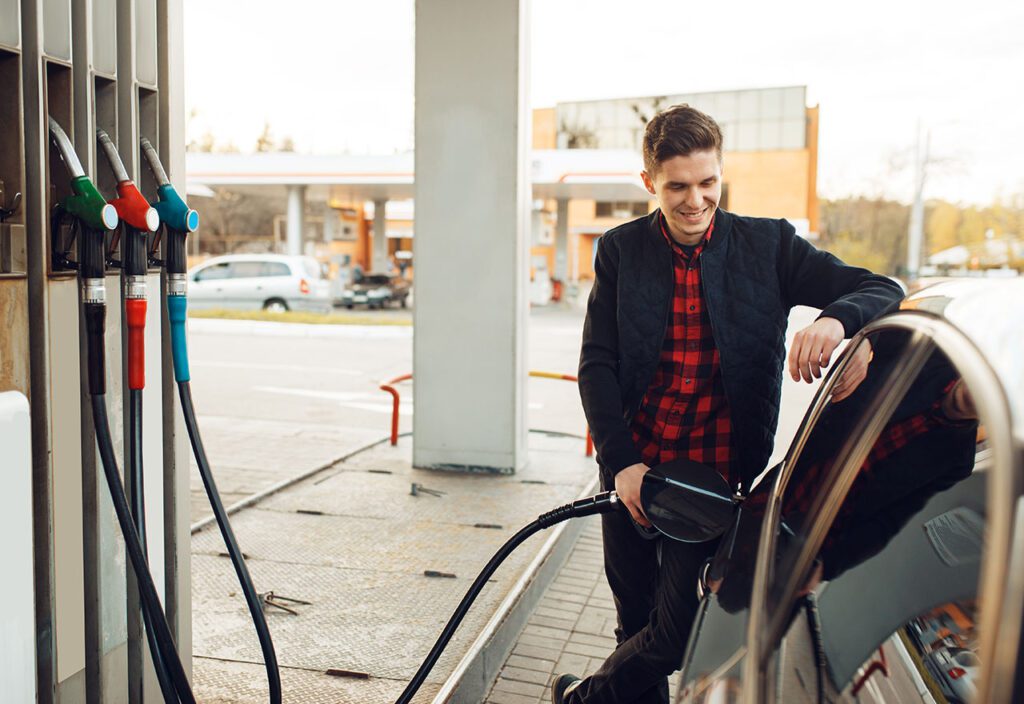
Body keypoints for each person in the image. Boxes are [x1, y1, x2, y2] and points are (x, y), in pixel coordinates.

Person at [553, 105, 904, 704]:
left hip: (713, 484)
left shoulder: (767, 246)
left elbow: (882, 288)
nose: (696, 200)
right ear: (649, 184)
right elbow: (598, 366)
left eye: (708, 182)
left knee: (677, 631)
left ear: (720, 174)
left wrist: (841, 324)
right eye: (678, 186)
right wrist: (622, 464)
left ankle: (583, 697)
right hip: (636, 469)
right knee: (633, 622)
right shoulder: (620, 251)